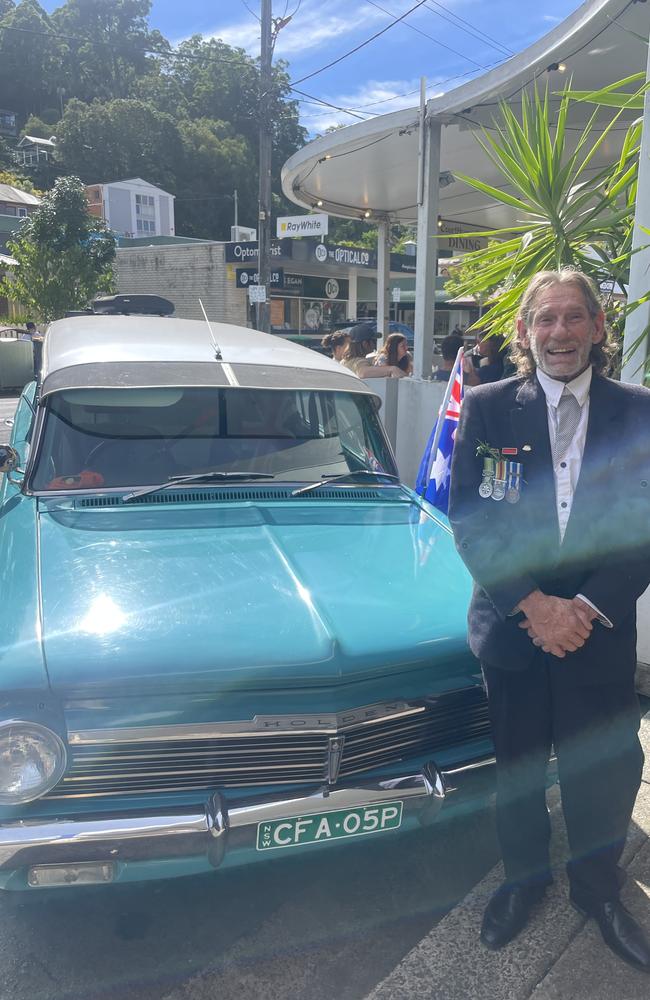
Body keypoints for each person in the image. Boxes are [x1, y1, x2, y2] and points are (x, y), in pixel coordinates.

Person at [448, 269, 650, 972]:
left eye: (573, 318)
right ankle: (524, 879)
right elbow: (471, 518)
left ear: (598, 326)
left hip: (599, 629)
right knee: (519, 770)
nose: (558, 333)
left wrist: (584, 610)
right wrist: (534, 605)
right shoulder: (488, 406)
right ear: (526, 332)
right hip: (514, 628)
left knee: (607, 769)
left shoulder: (640, 412)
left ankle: (597, 891)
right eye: (545, 320)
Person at [341, 325, 406, 379]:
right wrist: (392, 369)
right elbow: (363, 373)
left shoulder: (344, 361)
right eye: (374, 341)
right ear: (365, 344)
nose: (375, 344)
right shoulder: (359, 362)